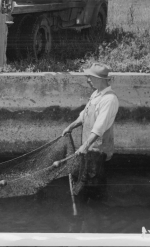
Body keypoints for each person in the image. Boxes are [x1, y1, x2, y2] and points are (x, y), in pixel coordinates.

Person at [61, 62, 119, 199]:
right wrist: (71, 126)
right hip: (89, 150)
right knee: (87, 182)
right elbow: (84, 115)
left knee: (94, 185)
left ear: (100, 79)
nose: (88, 79)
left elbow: (99, 127)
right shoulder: (96, 94)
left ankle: (96, 211)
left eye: (90, 77)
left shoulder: (109, 99)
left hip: (98, 151)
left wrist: (84, 146)